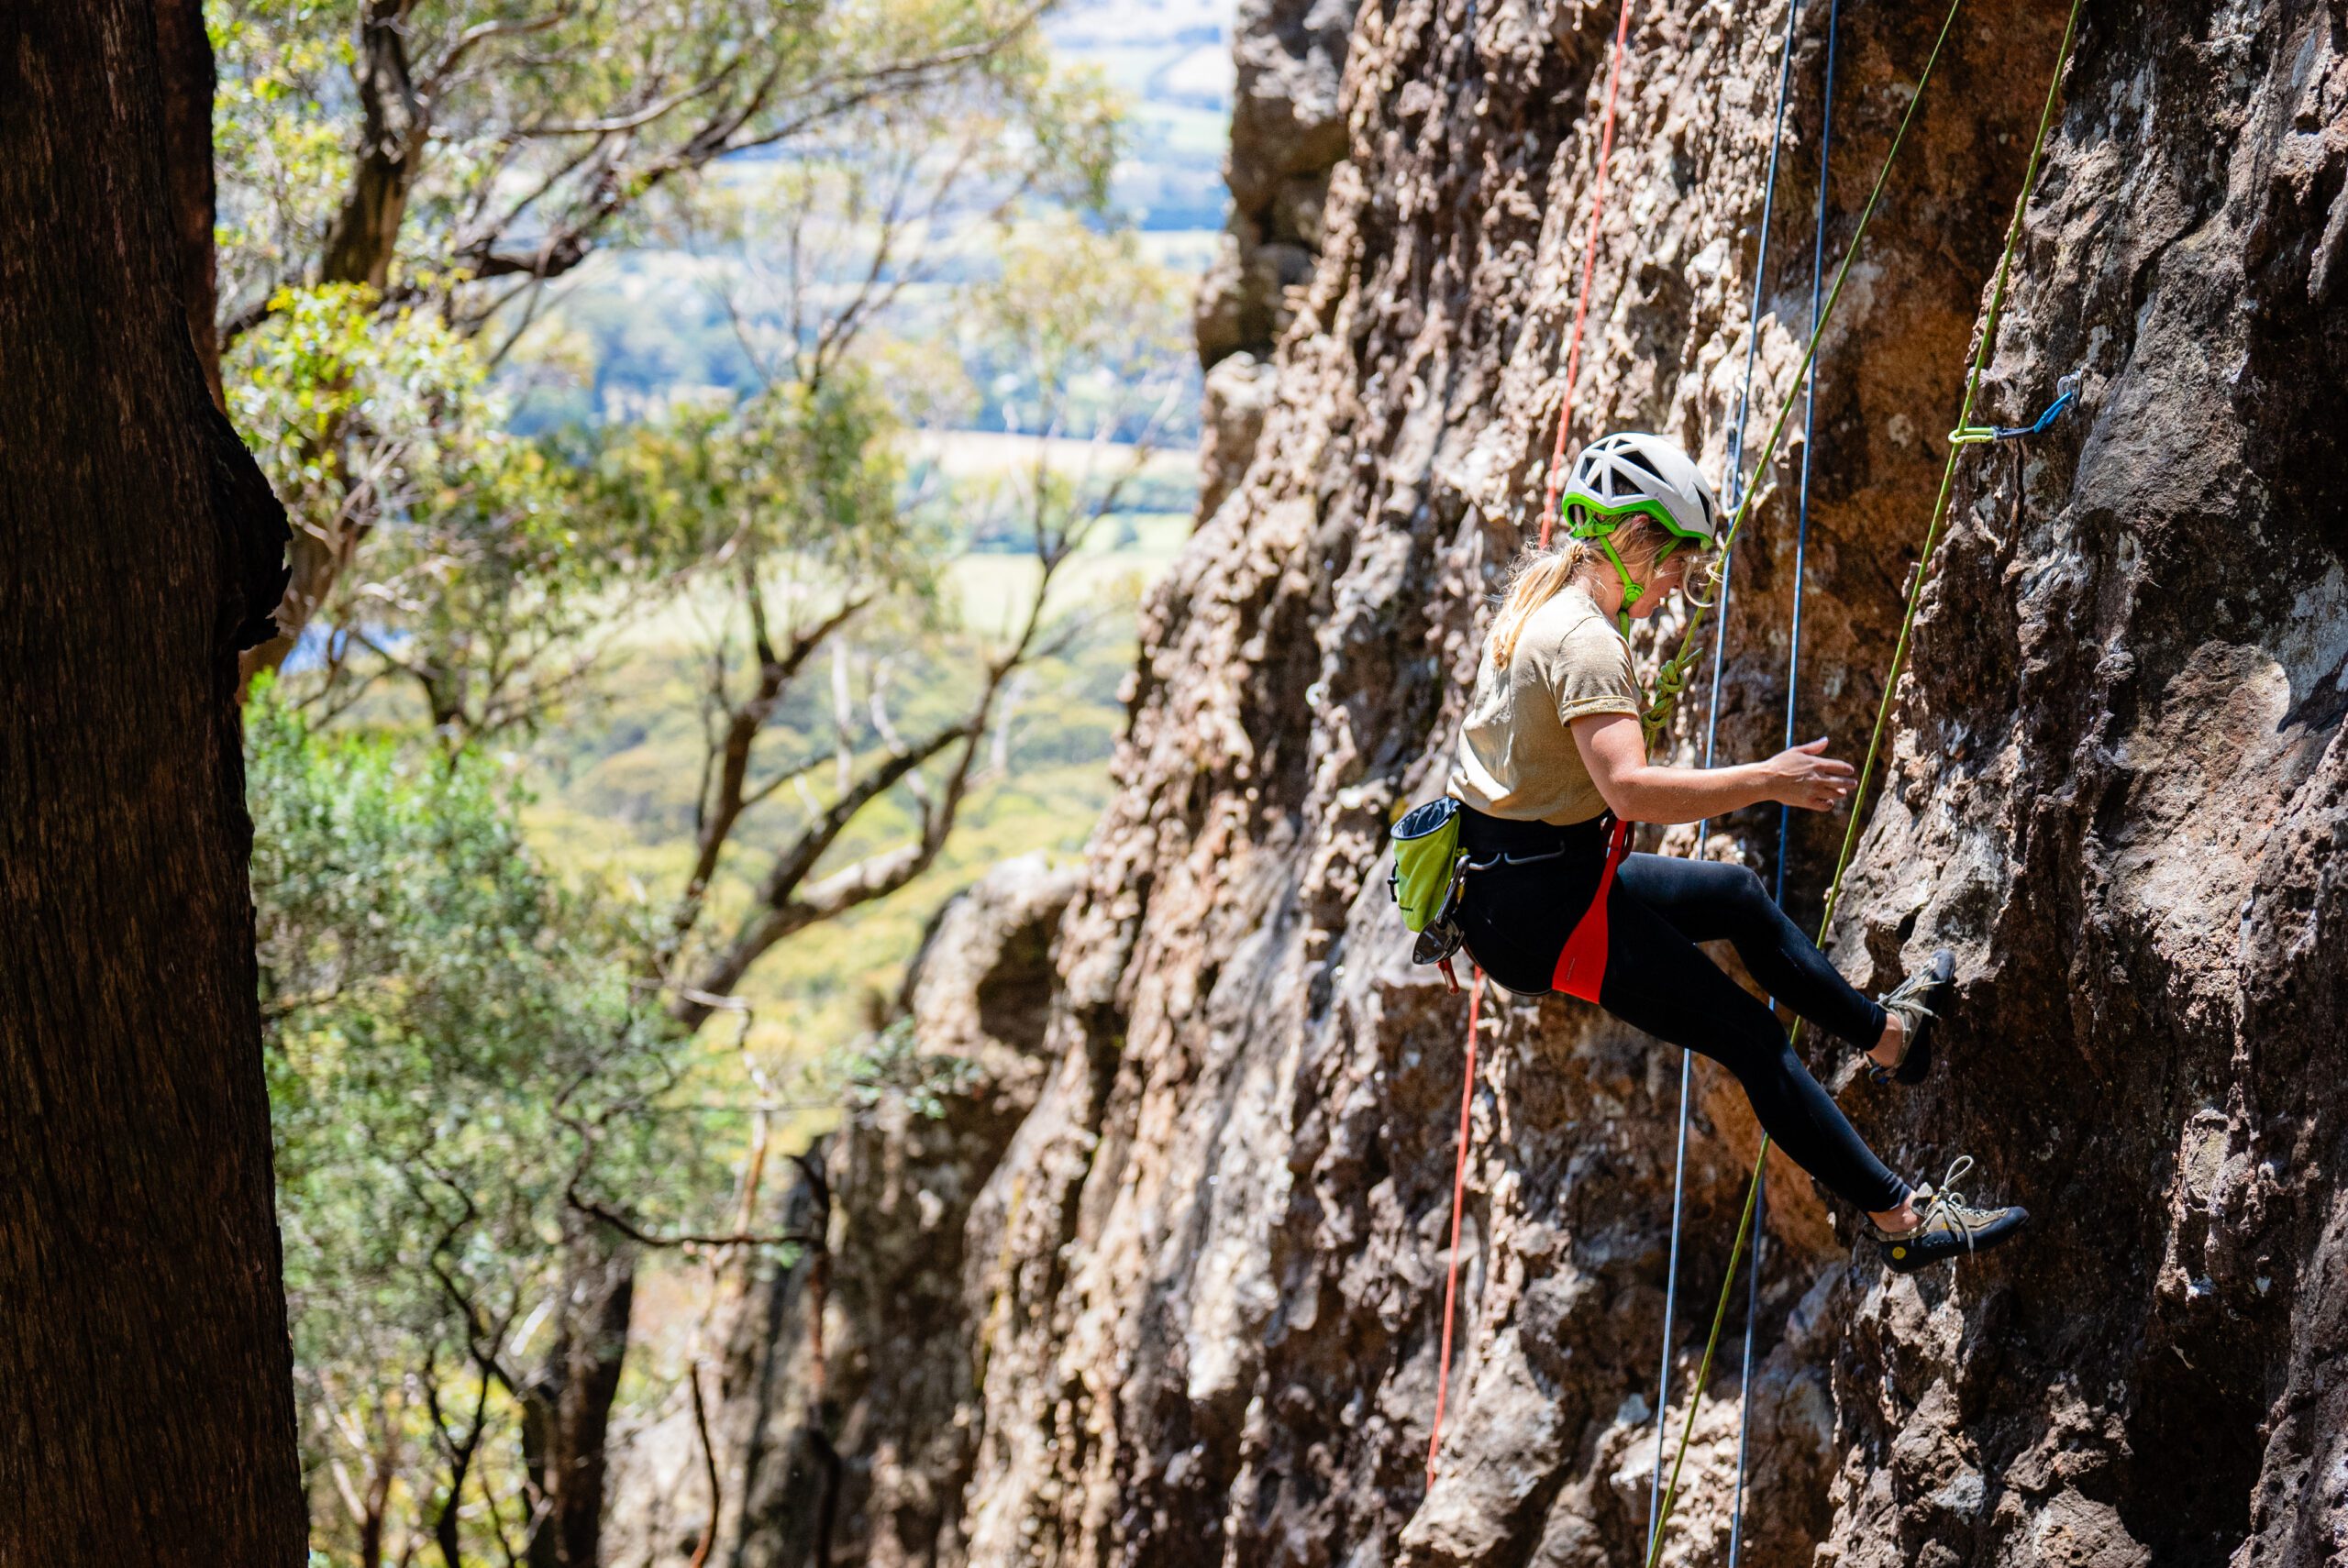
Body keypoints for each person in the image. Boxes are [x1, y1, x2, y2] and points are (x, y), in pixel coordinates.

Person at [1446, 431, 2026, 1272]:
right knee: (1750, 1035)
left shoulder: (1544, 605)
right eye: (1678, 559)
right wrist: (1769, 778)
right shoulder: (1585, 641)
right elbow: (1632, 791)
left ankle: (1890, 1039)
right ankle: (1902, 1219)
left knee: (1734, 895)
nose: (1682, 580)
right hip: (1547, 911)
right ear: (1636, 538)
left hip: (1524, 883)